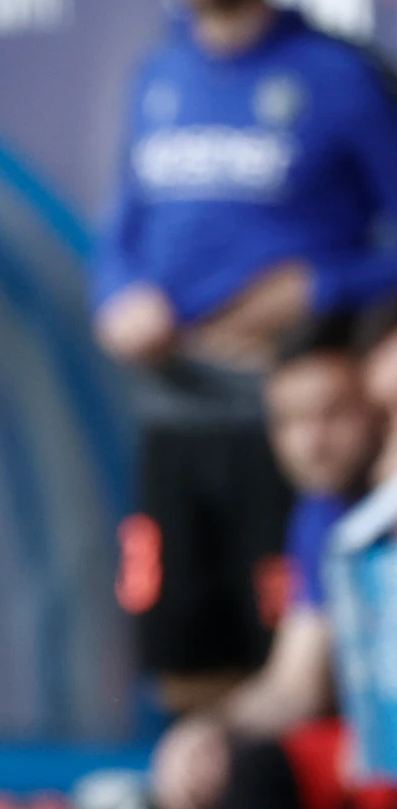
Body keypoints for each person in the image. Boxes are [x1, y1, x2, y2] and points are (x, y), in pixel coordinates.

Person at [93, 0, 397, 714]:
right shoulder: (158, 77)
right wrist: (118, 297)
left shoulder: (340, 78)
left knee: (301, 683)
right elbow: (120, 232)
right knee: (184, 672)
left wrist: (323, 288)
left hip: (292, 426)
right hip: (175, 416)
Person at [148, 321, 395, 809]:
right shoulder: (326, 516)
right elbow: (295, 685)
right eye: (289, 421)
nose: (312, 442)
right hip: (371, 760)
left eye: (333, 414)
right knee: (242, 770)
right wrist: (207, 730)